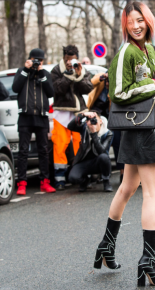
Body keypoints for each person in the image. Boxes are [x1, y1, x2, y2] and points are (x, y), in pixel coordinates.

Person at [93, 2, 155, 287]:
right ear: (125, 25)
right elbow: (118, 92)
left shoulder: (148, 50)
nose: (136, 25)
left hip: (148, 126)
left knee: (128, 188)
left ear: (148, 21)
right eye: (131, 22)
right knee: (152, 195)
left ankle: (106, 247)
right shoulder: (126, 52)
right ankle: (148, 262)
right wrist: (152, 86)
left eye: (140, 20)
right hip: (139, 130)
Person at [12, 48, 56, 195]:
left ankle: (45, 181)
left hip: (42, 116)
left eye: (40, 60)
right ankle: (22, 183)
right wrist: (26, 69)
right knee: (23, 151)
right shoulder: (21, 72)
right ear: (29, 59)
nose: (38, 63)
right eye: (35, 60)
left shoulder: (45, 74)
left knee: (44, 151)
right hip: (25, 116)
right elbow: (15, 88)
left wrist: (42, 72)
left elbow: (50, 92)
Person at [51, 45, 93, 190]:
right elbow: (57, 89)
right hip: (61, 112)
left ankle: (80, 175)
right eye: (68, 60)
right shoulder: (56, 70)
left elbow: (88, 88)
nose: (70, 62)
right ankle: (60, 178)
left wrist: (79, 74)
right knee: (60, 144)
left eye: (73, 59)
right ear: (64, 58)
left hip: (78, 112)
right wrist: (68, 74)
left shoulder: (81, 69)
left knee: (80, 144)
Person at [87, 71, 125, 183]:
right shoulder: (100, 83)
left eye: (110, 81)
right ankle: (99, 173)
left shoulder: (118, 87)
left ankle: (122, 173)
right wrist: (103, 76)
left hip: (114, 120)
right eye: (107, 81)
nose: (108, 83)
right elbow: (91, 83)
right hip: (99, 120)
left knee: (118, 146)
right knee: (99, 146)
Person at [67, 111, 113, 191]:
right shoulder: (84, 128)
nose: (92, 122)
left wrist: (94, 133)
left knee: (104, 157)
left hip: (99, 162)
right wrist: (83, 114)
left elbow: (101, 151)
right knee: (72, 178)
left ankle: (106, 181)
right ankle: (85, 181)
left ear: (101, 121)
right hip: (85, 162)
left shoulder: (108, 133)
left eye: (95, 119)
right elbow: (70, 126)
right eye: (89, 120)